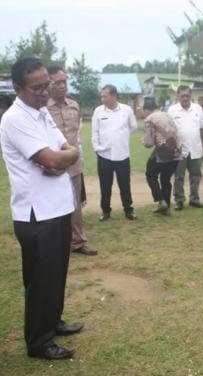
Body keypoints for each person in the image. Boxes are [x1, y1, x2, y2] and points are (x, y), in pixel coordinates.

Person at [0, 57, 83, 359]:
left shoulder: (41, 113)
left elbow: (65, 151)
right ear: (18, 88)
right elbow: (51, 159)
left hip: (58, 206)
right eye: (37, 88)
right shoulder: (15, 119)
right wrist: (61, 158)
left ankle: (54, 321)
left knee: (57, 272)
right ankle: (38, 341)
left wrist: (64, 157)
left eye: (46, 85)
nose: (45, 92)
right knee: (40, 279)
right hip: (36, 213)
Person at [47, 65, 97, 256]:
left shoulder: (74, 106)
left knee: (75, 204)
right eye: (57, 82)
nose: (62, 86)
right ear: (49, 84)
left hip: (74, 164)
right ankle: (55, 244)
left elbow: (76, 135)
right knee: (53, 205)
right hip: (52, 165)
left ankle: (78, 242)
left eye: (64, 82)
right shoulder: (43, 108)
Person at [92, 84, 138, 221]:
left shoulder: (126, 110)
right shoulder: (98, 111)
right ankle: (105, 211)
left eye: (104, 96)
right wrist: (97, 148)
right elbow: (94, 132)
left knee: (125, 184)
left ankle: (128, 210)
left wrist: (121, 137)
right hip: (104, 155)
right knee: (105, 185)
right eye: (101, 96)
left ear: (113, 96)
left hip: (122, 154)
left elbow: (133, 127)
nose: (102, 99)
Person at [168, 85, 203, 210]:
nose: (185, 98)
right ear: (178, 96)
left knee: (196, 175)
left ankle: (194, 199)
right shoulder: (172, 110)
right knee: (179, 176)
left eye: (187, 95)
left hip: (195, 148)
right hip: (178, 150)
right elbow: (168, 131)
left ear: (191, 96)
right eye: (182, 95)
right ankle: (179, 200)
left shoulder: (197, 109)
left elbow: (202, 128)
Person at [142, 96, 181, 215]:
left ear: (146, 110)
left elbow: (148, 143)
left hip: (163, 153)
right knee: (165, 179)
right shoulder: (167, 114)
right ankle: (166, 206)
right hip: (176, 153)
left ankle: (161, 200)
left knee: (150, 174)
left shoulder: (149, 119)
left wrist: (144, 141)